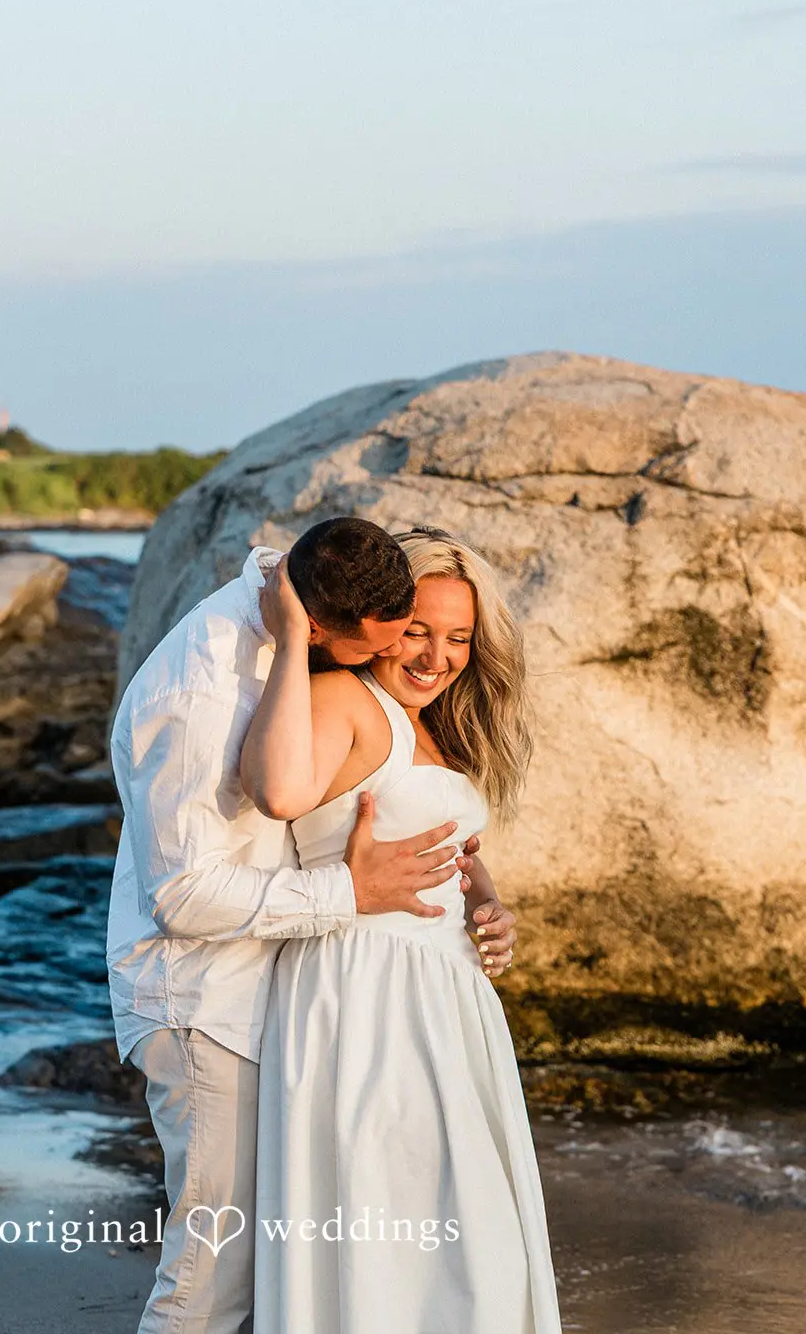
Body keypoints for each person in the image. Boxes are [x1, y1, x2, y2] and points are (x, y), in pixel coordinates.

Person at [106, 517, 518, 1334]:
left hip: (293, 994)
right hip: (205, 999)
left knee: (297, 1258)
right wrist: (349, 894)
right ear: (320, 627)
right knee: (212, 1272)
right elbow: (183, 895)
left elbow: (410, 821)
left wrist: (478, 897)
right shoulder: (203, 684)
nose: (411, 658)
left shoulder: (320, 615)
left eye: (450, 637)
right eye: (393, 641)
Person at [242, 526, 563, 1333]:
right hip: (367, 994)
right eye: (417, 630)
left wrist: (483, 898)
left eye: (458, 638)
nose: (435, 655)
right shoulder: (345, 699)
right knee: (404, 1233)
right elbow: (281, 792)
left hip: (443, 1000)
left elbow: (438, 842)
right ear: (380, 622)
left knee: (465, 1240)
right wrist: (290, 637)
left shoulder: (430, 726)